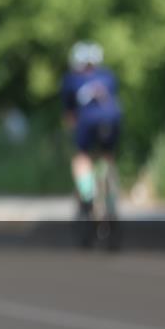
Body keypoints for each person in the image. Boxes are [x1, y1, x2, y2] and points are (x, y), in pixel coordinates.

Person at [60, 41, 123, 218]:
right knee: (107, 155)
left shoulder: (71, 79)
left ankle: (87, 194)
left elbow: (69, 115)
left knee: (81, 156)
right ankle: (110, 194)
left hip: (86, 121)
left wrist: (72, 130)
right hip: (112, 120)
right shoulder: (108, 76)